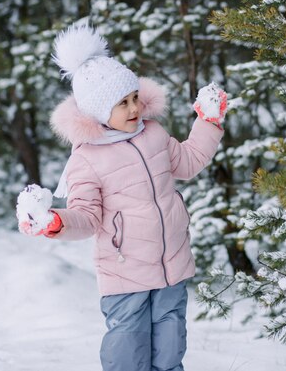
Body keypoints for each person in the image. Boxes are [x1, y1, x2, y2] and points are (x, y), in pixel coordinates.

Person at [15, 22, 227, 371]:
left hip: (171, 263)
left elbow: (187, 162)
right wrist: (55, 221)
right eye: (121, 104)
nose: (133, 109)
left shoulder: (154, 134)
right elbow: (86, 216)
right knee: (128, 350)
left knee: (171, 347)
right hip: (124, 273)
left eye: (133, 98)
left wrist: (209, 122)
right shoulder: (87, 158)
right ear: (98, 111)